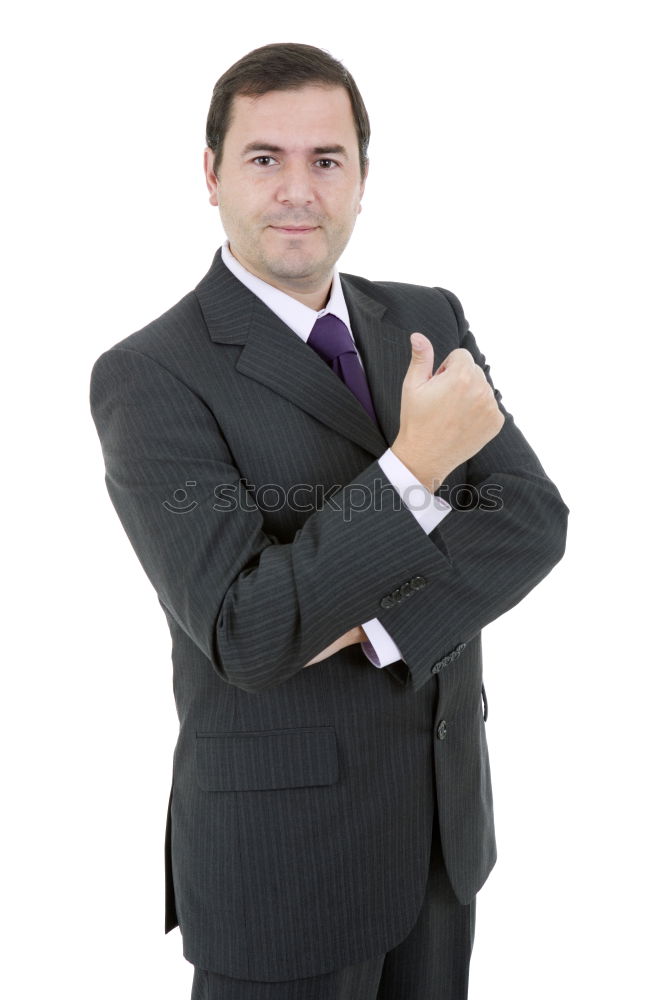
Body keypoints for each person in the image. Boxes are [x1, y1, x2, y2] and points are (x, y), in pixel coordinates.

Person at [89, 41, 568, 1000]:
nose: (297, 189)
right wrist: (415, 471)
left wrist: (379, 630)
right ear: (213, 176)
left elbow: (529, 518)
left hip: (440, 837)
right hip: (282, 865)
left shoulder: (427, 316)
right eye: (265, 159)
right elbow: (247, 631)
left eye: (327, 160)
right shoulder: (151, 375)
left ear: (361, 178)